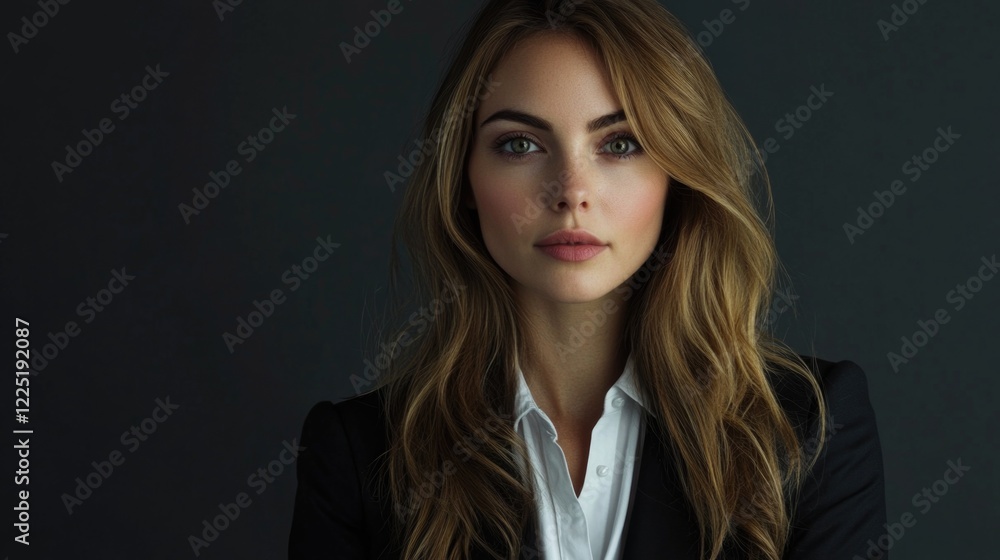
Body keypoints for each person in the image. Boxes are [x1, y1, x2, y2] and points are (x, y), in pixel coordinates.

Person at [288, 0, 887, 558]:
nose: (571, 191)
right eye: (519, 144)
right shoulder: (362, 456)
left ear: (677, 176)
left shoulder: (808, 429)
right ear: (464, 181)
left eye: (620, 143)